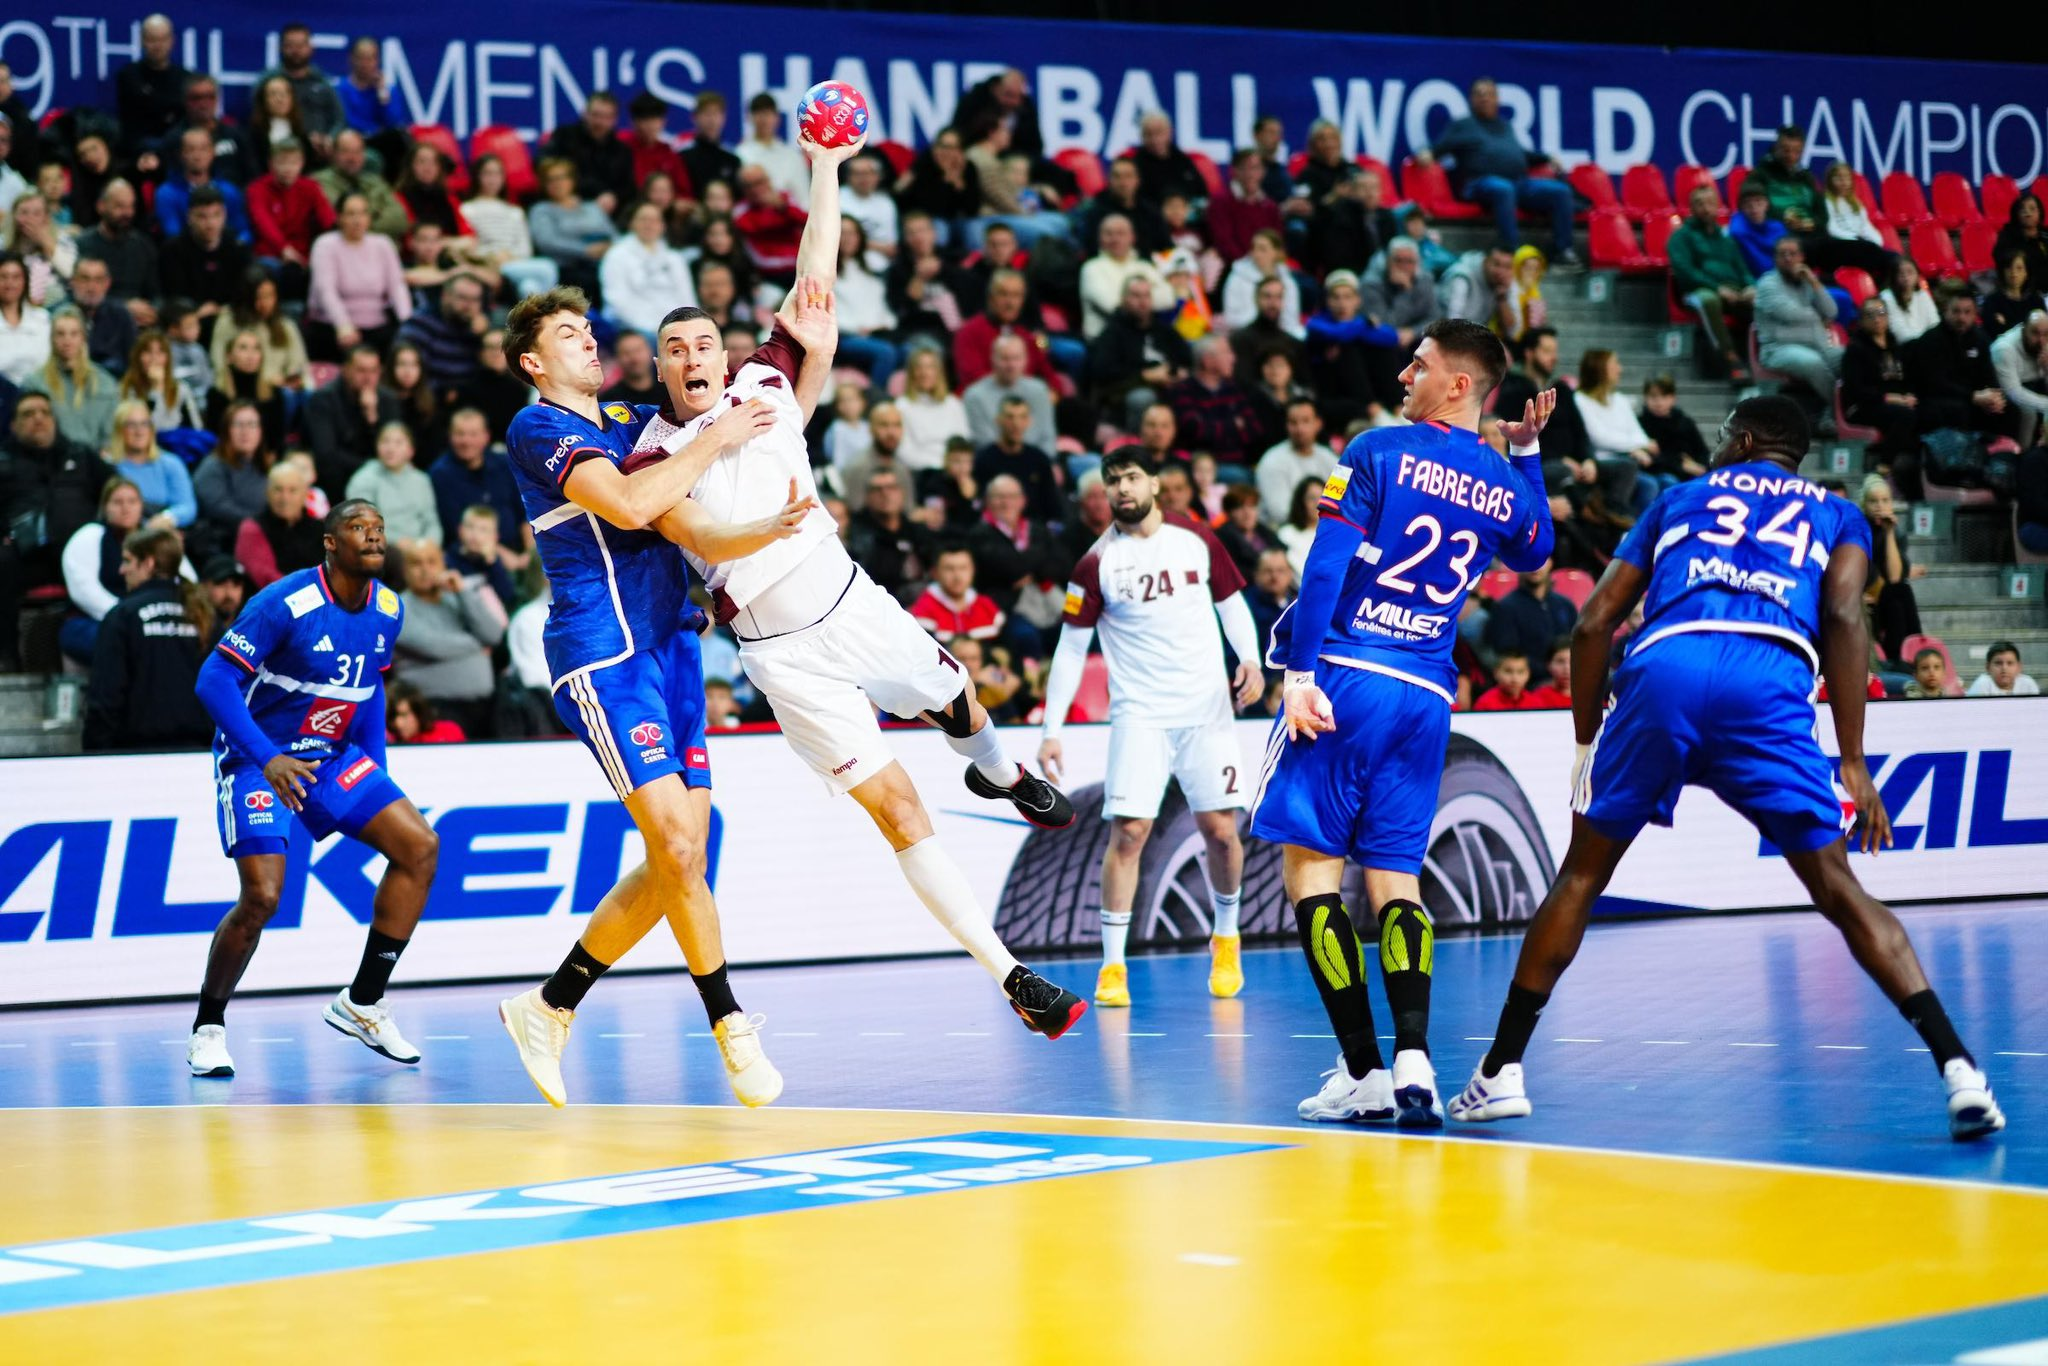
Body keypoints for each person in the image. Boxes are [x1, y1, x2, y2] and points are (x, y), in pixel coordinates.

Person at [623, 135, 1089, 1043]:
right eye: (674, 348)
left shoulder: (766, 377)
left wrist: (827, 168)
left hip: (850, 600)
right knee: (900, 809)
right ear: (660, 369)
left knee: (957, 699)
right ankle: (1015, 979)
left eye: (704, 341)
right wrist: (753, 515)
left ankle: (1003, 770)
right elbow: (692, 534)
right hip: (782, 656)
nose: (693, 356)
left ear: (727, 353)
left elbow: (815, 278)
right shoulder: (650, 454)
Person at [1448, 395, 2005, 1143]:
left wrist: (1586, 742)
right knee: (1839, 889)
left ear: (1743, 440)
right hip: (1767, 679)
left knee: (1581, 875)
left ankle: (1501, 1074)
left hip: (1665, 669)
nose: (1713, 446)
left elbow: (1593, 622)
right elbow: (1845, 618)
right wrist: (1852, 759)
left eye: (1719, 437)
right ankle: (1961, 1072)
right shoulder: (1839, 514)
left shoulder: (1679, 499)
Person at [493, 282, 814, 1110]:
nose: (590, 342)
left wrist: (779, 368)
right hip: (605, 658)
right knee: (675, 840)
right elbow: (636, 503)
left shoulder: (638, 423)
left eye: (590, 329)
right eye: (570, 335)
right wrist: (718, 439)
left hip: (672, 647)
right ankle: (730, 1025)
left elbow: (718, 469)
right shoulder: (539, 427)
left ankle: (550, 1005)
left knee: (683, 854)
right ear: (535, 362)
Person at [1254, 318, 1556, 1127]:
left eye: (1417, 366)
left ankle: (1362, 1071)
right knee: (1396, 879)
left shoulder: (1376, 451)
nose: (1402, 377)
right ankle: (1416, 1057)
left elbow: (1324, 565)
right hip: (1425, 693)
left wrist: (1298, 674)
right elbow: (1535, 550)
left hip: (1350, 674)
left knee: (1312, 874)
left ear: (1458, 385)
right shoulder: (1499, 478)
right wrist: (1525, 453)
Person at [186, 496, 440, 1079]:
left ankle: (364, 1001)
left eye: (379, 527)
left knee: (420, 847)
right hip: (261, 760)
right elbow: (214, 680)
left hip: (329, 757)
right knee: (262, 899)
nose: (373, 537)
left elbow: (370, 687)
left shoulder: (391, 608)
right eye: (358, 527)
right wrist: (268, 758)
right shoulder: (284, 603)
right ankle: (208, 1026)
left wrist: (376, 767)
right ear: (330, 542)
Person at [1037, 449, 1264, 1005]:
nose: (1122, 489)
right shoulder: (1095, 564)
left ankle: (1227, 934)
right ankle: (1113, 967)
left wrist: (1252, 660)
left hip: (1205, 710)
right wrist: (1051, 729)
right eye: (1112, 482)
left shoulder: (1197, 538)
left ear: (1155, 483)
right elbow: (1070, 651)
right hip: (1140, 715)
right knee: (1129, 834)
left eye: (1131, 477)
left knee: (1221, 832)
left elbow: (1233, 604)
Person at [1415, 79, 1578, 264]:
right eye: (1479, 94)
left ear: (1497, 99)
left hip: (1518, 183)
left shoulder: (1505, 126)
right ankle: (1511, 251)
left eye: (1489, 94)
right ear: (1471, 99)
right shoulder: (1463, 125)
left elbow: (1521, 154)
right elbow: (1438, 147)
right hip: (1478, 184)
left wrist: (1547, 158)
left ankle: (1563, 250)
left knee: (1560, 191)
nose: (1484, 98)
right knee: (1503, 188)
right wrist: (1426, 152)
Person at [83, 524, 213, 750]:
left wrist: (95, 750)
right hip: (200, 753)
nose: (121, 570)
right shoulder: (204, 614)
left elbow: (106, 693)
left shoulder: (123, 616)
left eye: (127, 560)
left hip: (137, 754)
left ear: (148, 563)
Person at [306, 192, 410, 361]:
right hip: (333, 326)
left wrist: (408, 324)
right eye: (351, 214)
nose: (357, 220)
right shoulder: (325, 245)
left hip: (376, 325)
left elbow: (397, 287)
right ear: (339, 217)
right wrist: (343, 324)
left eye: (363, 213)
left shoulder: (383, 244)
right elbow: (326, 291)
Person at [1667, 185, 1756, 378]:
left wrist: (1750, 287)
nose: (1706, 209)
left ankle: (1763, 357)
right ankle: (1730, 358)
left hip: (1733, 290)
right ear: (1691, 208)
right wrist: (1717, 288)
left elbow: (1743, 270)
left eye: (1710, 203)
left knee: (1761, 301)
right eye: (1700, 204)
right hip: (1696, 292)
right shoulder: (1681, 237)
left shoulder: (1727, 239)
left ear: (1718, 206)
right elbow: (1686, 273)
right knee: (1709, 300)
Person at [1905, 293, 2012, 441]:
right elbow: (1936, 384)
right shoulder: (1930, 340)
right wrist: (1973, 397)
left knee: (2009, 408)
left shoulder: (1980, 338)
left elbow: (1988, 373)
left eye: (1967, 312)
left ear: (1975, 314)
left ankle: (2001, 456)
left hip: (1972, 396)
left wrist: (1995, 396)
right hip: (1936, 398)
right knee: (1959, 409)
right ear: (1945, 311)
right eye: (1956, 311)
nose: (1962, 318)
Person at [1754, 237, 1842, 403]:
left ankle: (1843, 410)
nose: (1788, 258)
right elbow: (1791, 313)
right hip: (1779, 350)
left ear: (1801, 257)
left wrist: (1814, 282)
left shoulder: (1807, 281)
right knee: (1813, 363)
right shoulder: (1767, 284)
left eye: (1793, 254)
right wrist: (1818, 318)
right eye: (1783, 254)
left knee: (1849, 357)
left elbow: (1831, 311)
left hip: (1818, 346)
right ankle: (1839, 410)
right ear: (1775, 259)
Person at [304, 344, 400, 492]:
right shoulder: (323, 399)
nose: (368, 378)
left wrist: (372, 418)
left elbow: (394, 447)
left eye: (373, 371)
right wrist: (371, 467)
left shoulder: (388, 400)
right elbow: (326, 453)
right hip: (339, 479)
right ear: (346, 370)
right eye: (361, 371)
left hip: (381, 477)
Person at [1574, 349, 1664, 506]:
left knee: (1668, 481)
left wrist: (1637, 445)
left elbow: (1639, 433)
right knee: (1648, 485)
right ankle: (1633, 529)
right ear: (1600, 368)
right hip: (1602, 462)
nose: (1620, 369)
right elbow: (1599, 437)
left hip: (1631, 459)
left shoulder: (1619, 399)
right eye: (1614, 364)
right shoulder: (1580, 399)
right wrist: (1636, 446)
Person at [25, 306, 118, 450]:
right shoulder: (34, 384)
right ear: (52, 339)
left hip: (95, 463)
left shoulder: (106, 383)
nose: (67, 341)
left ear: (83, 338)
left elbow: (111, 437)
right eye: (60, 334)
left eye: (74, 334)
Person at [1841, 295, 1923, 461]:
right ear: (1861, 320)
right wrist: (1890, 398)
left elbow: (1905, 379)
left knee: (1928, 411)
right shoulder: (1856, 349)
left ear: (1887, 317)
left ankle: (1917, 469)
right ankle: (1885, 465)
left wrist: (1909, 395)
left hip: (1894, 402)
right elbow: (1856, 390)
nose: (1876, 319)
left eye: (1880, 313)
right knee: (1905, 416)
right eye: (1870, 315)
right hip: (1864, 406)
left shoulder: (1895, 346)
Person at [843, 466, 937, 600]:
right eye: (877, 489)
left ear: (902, 493)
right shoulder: (857, 536)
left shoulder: (917, 531)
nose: (885, 494)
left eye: (891, 487)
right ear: (867, 497)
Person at [1859, 474, 1923, 665]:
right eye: (1873, 501)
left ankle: (1903, 657)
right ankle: (1914, 652)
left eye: (1885, 500)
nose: (1880, 506)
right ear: (1864, 505)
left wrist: (1888, 533)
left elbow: (1894, 577)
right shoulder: (1858, 529)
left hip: (1886, 598)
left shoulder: (1897, 532)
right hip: (1864, 598)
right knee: (1899, 592)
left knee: (1899, 591)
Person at [1168, 336, 1261, 468]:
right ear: (1207, 361)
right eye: (1226, 353)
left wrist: (1211, 428)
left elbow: (1254, 430)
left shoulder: (1234, 388)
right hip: (1198, 468)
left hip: (1238, 463)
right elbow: (1193, 432)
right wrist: (1234, 425)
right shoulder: (1183, 391)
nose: (1233, 358)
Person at [194, 397, 273, 545]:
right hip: (225, 541)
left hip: (264, 537)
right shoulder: (212, 467)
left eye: (252, 425)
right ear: (226, 430)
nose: (245, 431)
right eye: (238, 425)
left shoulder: (264, 467)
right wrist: (263, 524)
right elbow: (219, 509)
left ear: (260, 431)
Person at [235, 458, 324, 587]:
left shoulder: (320, 528)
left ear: (305, 494)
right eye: (278, 489)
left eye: (292, 490)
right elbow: (266, 577)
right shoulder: (252, 529)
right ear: (267, 492)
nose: (285, 498)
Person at [974, 395, 1063, 524]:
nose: (1016, 424)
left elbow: (1052, 507)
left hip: (1035, 533)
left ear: (1029, 421)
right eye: (1010, 417)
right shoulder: (983, 460)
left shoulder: (1039, 459)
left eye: (1022, 417)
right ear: (998, 420)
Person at [963, 332, 1057, 452]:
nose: (1011, 365)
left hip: (1036, 463)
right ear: (993, 359)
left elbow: (1048, 438)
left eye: (1016, 358)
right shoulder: (974, 396)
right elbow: (983, 442)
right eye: (1005, 358)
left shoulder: (1039, 391)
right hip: (994, 464)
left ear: (1026, 359)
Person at [262, 24, 346, 157]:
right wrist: (304, 140)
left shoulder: (322, 80)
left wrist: (330, 139)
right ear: (280, 48)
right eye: (290, 45)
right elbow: (259, 118)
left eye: (301, 45)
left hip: (322, 151)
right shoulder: (269, 81)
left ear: (311, 48)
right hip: (282, 148)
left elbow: (339, 118)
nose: (296, 51)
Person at [115, 15, 190, 160]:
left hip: (176, 153)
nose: (158, 45)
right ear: (142, 41)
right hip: (137, 152)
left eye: (163, 39)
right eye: (152, 39)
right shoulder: (129, 75)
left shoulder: (185, 78)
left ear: (172, 41)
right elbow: (132, 122)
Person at [1256, 398, 1335, 526]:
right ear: (1286, 426)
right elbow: (1280, 513)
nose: (1300, 429)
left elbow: (1341, 502)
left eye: (1306, 421)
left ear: (1318, 424)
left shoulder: (1330, 458)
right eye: (1293, 423)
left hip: (1324, 530)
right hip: (1286, 533)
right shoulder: (1272, 461)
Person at [1485, 561, 1579, 664]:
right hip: (1530, 678)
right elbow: (1507, 653)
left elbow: (1577, 643)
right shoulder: (1504, 608)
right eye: (1529, 558)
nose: (1535, 566)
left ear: (1550, 562)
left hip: (1567, 675)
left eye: (1541, 559)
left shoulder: (1565, 604)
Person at [897, 345, 969, 473]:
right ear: (911, 372)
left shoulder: (953, 403)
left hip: (954, 470)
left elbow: (963, 441)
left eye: (930, 367)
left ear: (938, 372)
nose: (925, 373)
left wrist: (953, 465)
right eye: (919, 367)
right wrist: (937, 467)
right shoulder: (902, 406)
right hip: (921, 472)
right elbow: (904, 451)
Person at [1993, 310, 2048, 450]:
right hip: (2003, 392)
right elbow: (2013, 392)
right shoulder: (2004, 348)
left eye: (2046, 334)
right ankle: (2024, 455)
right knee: (2029, 413)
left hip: (2035, 386)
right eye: (2035, 333)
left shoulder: (2045, 344)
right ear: (2024, 330)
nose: (2041, 340)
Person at [1983, 251, 2046, 342]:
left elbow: (2042, 330)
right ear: (2003, 271)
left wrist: (2006, 324)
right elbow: (1993, 333)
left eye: (2019, 268)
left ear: (2026, 273)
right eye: (2009, 267)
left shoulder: (2036, 300)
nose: (2013, 272)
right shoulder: (1992, 301)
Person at [1472, 649, 1565, 711]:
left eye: (1520, 672)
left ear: (1528, 674)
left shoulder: (1536, 702)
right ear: (1496, 673)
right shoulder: (1485, 703)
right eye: (1508, 671)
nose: (1514, 678)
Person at [1728, 183, 1788, 278]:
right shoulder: (1738, 231)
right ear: (1741, 208)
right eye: (1747, 203)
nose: (1754, 208)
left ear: (1767, 203)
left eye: (1758, 201)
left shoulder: (1778, 228)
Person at [1994, 194, 2047, 296]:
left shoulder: (2045, 234)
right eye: (2023, 210)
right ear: (2016, 214)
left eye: (2032, 209)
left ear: (2040, 212)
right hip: (2023, 292)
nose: (2028, 213)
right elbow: (2003, 262)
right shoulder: (2008, 235)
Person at [1967, 641, 2040, 697]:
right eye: (1998, 663)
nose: (2004, 668)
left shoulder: (2028, 684)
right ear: (1988, 667)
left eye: (2010, 663)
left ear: (2019, 667)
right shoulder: (1981, 685)